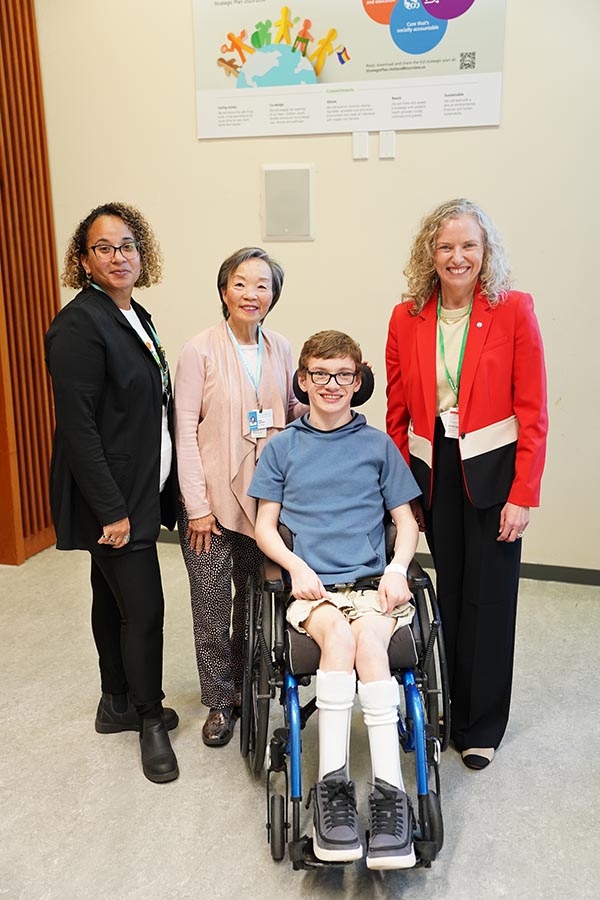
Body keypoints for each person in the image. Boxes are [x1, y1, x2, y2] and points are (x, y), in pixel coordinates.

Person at [385, 198, 548, 770]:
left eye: (469, 246)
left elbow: (533, 410)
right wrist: (405, 491)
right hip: (437, 474)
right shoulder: (407, 317)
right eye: (446, 246)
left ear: (486, 252)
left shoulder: (512, 310)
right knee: (447, 595)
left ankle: (482, 726)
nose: (458, 257)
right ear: (430, 253)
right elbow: (398, 412)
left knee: (491, 599)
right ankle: (446, 710)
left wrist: (523, 493)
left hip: (496, 474)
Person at [249, 330, 421, 869]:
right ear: (303, 379)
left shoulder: (377, 446)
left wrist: (396, 568)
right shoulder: (282, 448)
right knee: (341, 636)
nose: (332, 385)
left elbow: (406, 523)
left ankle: (391, 794)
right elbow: (264, 527)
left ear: (358, 380)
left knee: (371, 640)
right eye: (320, 374)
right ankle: (333, 788)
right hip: (316, 592)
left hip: (372, 585)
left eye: (344, 375)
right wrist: (297, 567)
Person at [45, 202, 180, 784]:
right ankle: (149, 720)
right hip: (114, 499)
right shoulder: (79, 325)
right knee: (145, 609)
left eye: (127, 245)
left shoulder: (133, 314)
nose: (119, 256)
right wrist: (112, 511)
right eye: (104, 247)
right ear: (84, 260)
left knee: (111, 598)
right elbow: (77, 427)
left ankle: (115, 703)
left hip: (136, 490)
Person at [174, 247, 304, 747]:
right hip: (208, 503)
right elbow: (184, 430)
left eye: (263, 285)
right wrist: (197, 507)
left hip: (263, 502)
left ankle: (248, 688)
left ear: (274, 296)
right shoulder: (199, 350)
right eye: (241, 284)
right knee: (210, 605)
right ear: (224, 290)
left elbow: (293, 411)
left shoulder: (281, 347)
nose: (252, 294)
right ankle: (219, 701)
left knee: (254, 602)